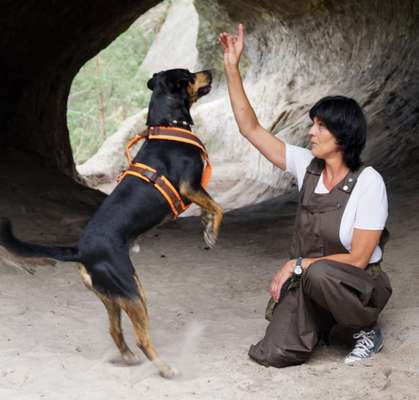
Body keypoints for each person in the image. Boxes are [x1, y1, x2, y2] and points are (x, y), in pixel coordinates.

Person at [218, 24, 392, 367]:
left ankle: (365, 329)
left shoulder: (368, 182)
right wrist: (231, 68)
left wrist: (297, 264)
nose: (311, 132)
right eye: (313, 124)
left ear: (342, 136)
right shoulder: (306, 166)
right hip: (310, 279)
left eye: (320, 126)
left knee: (318, 273)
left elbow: (358, 259)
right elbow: (250, 129)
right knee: (275, 353)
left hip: (357, 285)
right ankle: (326, 322)